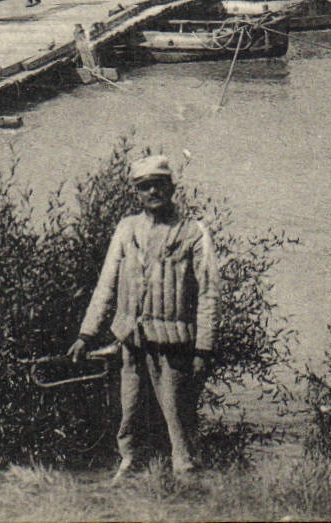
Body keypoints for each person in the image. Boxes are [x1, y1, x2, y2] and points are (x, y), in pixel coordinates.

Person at [68, 155, 218, 481]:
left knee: (177, 417)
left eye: (158, 184)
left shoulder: (194, 233)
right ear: (136, 193)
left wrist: (203, 351)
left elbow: (208, 294)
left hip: (174, 346)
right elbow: (106, 285)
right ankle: (131, 467)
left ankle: (187, 477)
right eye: (144, 187)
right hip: (132, 342)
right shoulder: (126, 229)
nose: (152, 191)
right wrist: (86, 335)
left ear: (171, 187)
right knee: (130, 411)